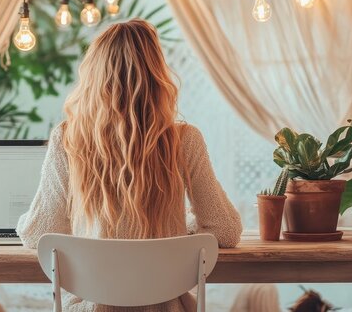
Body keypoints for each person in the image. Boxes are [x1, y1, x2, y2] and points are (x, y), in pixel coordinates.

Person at [17, 19, 242, 311]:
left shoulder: (67, 139)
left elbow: (38, 233)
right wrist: (181, 225)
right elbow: (225, 230)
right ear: (156, 75)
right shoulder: (185, 139)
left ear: (94, 77)